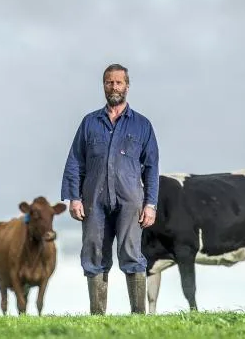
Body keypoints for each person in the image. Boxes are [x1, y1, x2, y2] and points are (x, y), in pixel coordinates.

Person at [60, 63, 159, 315]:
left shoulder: (142, 125)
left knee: (131, 253)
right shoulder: (89, 122)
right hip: (94, 201)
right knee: (93, 253)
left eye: (118, 82)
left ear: (127, 85)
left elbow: (151, 167)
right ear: (103, 85)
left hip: (130, 201)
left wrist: (151, 204)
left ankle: (138, 316)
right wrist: (73, 198)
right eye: (109, 82)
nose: (114, 87)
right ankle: (97, 316)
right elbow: (75, 161)